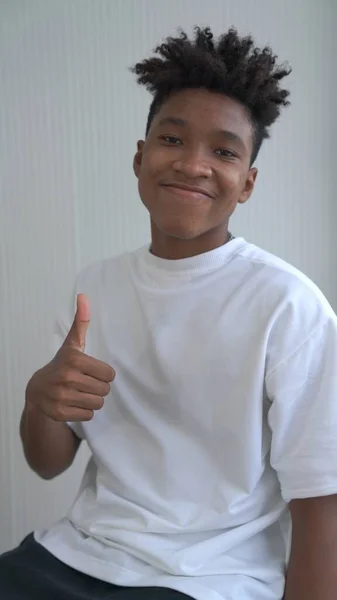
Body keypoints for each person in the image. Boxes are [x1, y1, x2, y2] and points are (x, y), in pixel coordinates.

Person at [1, 25, 337, 600]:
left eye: (224, 151)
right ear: (140, 158)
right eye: (173, 140)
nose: (192, 165)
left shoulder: (288, 306)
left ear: (248, 183)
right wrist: (40, 401)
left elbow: (321, 500)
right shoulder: (96, 286)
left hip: (211, 580)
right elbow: (47, 462)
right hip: (77, 552)